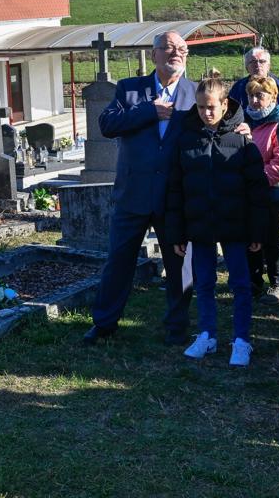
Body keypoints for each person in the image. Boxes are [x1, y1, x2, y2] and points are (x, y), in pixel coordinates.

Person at [83, 31, 199, 346]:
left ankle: (177, 326)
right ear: (155, 54)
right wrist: (151, 111)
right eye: (169, 48)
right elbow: (107, 125)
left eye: (182, 49)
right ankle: (104, 323)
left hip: (174, 198)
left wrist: (238, 126)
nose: (176, 53)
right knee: (119, 261)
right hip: (133, 194)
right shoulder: (131, 89)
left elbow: (220, 124)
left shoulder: (196, 93)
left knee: (179, 264)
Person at [169, 73, 269, 366]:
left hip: (234, 225)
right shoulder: (186, 139)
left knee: (240, 283)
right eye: (201, 107)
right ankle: (207, 335)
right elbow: (176, 189)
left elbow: (257, 189)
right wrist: (177, 233)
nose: (206, 113)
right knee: (205, 283)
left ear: (225, 105)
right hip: (200, 225)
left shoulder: (241, 139)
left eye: (212, 107)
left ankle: (241, 339)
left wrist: (256, 231)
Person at [243, 75, 279, 302]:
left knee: (271, 237)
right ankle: (253, 282)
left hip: (277, 190)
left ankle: (277, 284)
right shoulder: (244, 122)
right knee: (250, 234)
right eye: (251, 95)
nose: (254, 100)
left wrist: (256, 178)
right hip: (251, 192)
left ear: (273, 96)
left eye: (259, 96)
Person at [228, 45, 279, 112]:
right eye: (253, 61)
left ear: (268, 66)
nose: (258, 65)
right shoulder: (238, 88)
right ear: (247, 67)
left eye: (262, 61)